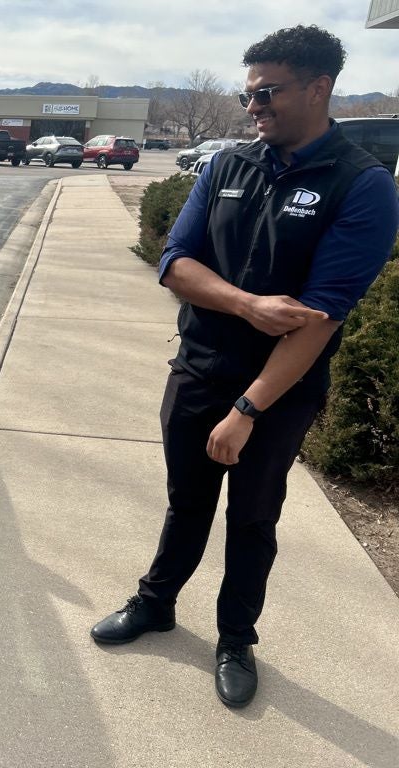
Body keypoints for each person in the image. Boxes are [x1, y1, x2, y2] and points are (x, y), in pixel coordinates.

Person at [90, 25, 399, 709]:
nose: (252, 105)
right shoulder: (228, 165)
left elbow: (319, 320)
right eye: (246, 93)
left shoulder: (362, 186)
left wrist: (249, 409)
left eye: (267, 92)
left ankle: (236, 637)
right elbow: (176, 263)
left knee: (253, 517)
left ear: (319, 89)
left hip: (279, 395)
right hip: (197, 370)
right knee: (186, 502)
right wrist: (246, 304)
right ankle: (156, 603)